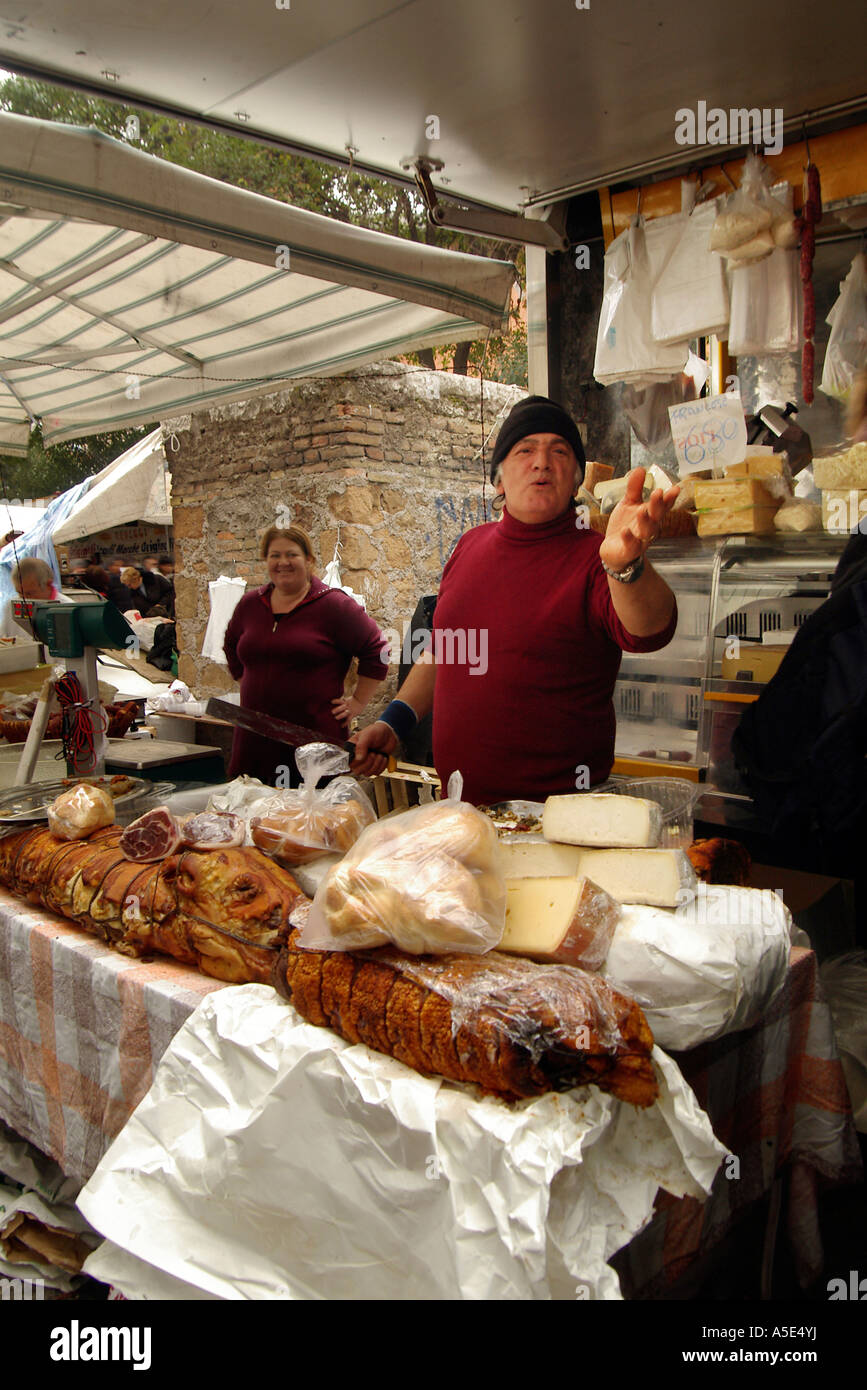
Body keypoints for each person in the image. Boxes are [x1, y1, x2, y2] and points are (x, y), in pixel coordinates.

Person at [352, 395, 679, 804]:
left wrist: (626, 566)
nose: (542, 462)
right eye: (525, 450)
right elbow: (448, 649)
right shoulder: (468, 547)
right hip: (461, 806)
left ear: (576, 481)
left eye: (559, 452)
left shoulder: (595, 557)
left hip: (558, 815)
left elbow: (651, 630)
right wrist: (395, 722)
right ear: (500, 479)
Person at [223, 524, 389, 784]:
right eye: (274, 555)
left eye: (291, 554)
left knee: (312, 818)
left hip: (313, 745)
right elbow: (231, 643)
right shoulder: (251, 604)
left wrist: (357, 702)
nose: (282, 562)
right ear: (266, 560)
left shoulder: (335, 605)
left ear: (309, 560)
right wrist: (245, 680)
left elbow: (377, 651)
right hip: (253, 740)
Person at [0, 556, 72, 640]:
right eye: (20, 593)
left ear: (48, 584)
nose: (24, 600)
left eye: (29, 593)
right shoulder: (11, 606)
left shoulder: (68, 608)